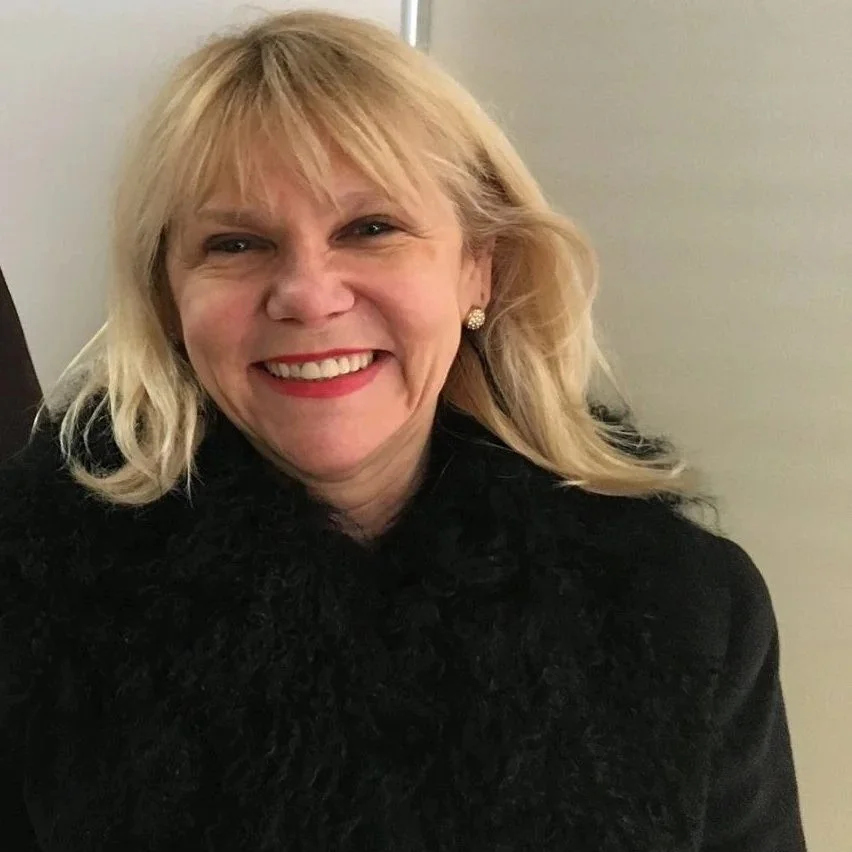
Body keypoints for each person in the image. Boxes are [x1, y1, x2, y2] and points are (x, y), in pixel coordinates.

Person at [0, 10, 806, 851]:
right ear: (170, 301)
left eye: (370, 228)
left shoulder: (687, 607)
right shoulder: (31, 597)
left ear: (478, 267)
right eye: (237, 243)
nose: (308, 295)